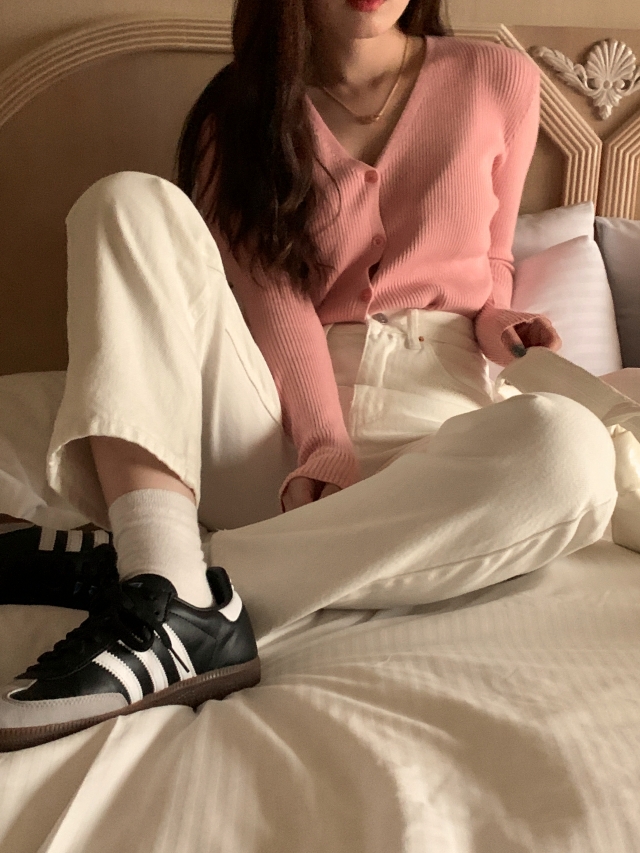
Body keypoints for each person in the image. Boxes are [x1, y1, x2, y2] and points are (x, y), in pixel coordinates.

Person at [0, 0, 617, 751]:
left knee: (573, 451)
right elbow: (274, 300)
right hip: (276, 436)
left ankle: (164, 579)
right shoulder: (240, 111)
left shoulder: (500, 77)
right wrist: (324, 440)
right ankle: (164, 563)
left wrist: (499, 323)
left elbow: (492, 261)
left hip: (435, 447)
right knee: (125, 201)